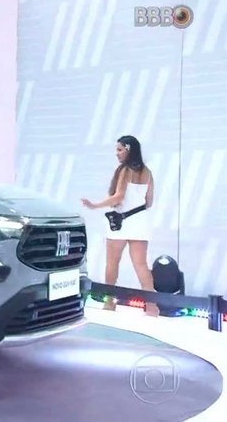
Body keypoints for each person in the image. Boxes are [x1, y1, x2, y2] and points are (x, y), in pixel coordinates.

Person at [80, 135, 158, 317]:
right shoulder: (147, 172)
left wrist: (94, 205)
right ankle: (152, 307)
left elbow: (118, 197)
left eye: (120, 149)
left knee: (112, 263)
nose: (117, 153)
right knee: (141, 265)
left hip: (120, 223)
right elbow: (149, 202)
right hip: (139, 222)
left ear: (128, 150)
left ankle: (109, 302)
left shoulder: (125, 170)